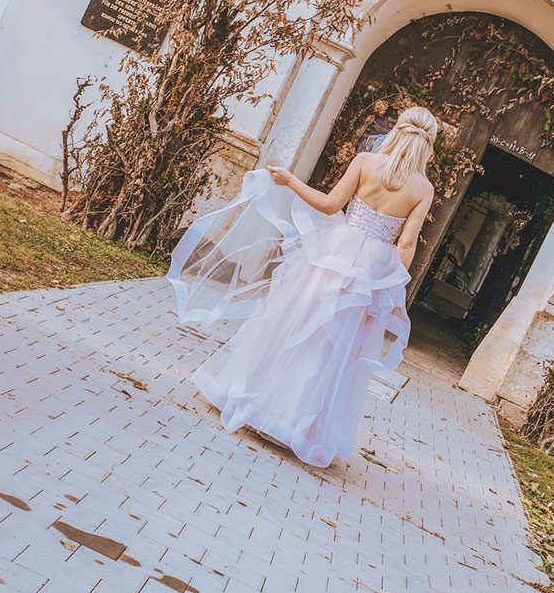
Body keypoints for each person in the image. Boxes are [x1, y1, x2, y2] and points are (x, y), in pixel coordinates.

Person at [169, 105, 437, 468]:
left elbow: (329, 205)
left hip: (334, 253)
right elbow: (406, 243)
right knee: (332, 346)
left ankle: (255, 400)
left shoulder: (365, 162)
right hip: (369, 271)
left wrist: (291, 181)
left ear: (397, 130)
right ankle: (293, 423)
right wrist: (389, 288)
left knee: (293, 322)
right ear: (428, 145)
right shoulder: (423, 188)